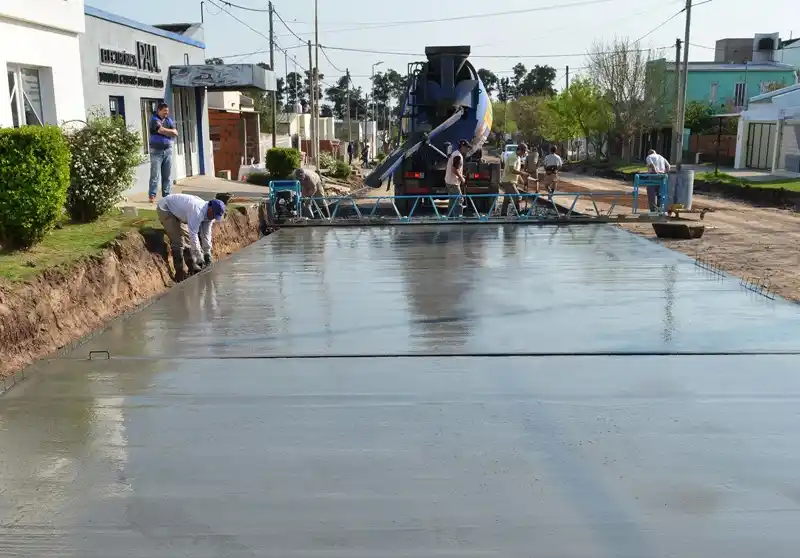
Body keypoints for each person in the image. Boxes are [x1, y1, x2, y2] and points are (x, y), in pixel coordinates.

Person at [156, 194, 225, 280]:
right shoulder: (197, 211)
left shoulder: (210, 215)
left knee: (187, 239)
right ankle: (180, 272)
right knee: (178, 241)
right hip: (166, 208)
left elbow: (206, 234)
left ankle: (192, 266)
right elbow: (194, 234)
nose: (214, 218)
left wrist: (207, 253)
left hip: (179, 211)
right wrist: (199, 257)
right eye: (214, 215)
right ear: (210, 210)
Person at [148, 102, 179, 203]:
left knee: (167, 175)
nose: (166, 113)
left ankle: (166, 195)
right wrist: (170, 131)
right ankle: (152, 195)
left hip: (168, 150)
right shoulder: (154, 119)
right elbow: (160, 130)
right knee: (155, 174)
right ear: (159, 110)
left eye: (167, 111)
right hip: (156, 151)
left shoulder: (168, 120)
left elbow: (176, 133)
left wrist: (167, 131)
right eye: (165, 111)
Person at [500, 143, 531, 216]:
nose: (524, 153)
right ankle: (518, 212)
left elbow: (517, 172)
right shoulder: (513, 157)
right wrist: (523, 173)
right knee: (517, 196)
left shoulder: (518, 157)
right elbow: (512, 170)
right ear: (520, 150)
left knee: (507, 198)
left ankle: (503, 213)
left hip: (511, 181)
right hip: (508, 181)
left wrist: (522, 182)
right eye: (524, 151)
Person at [444, 139, 470, 217]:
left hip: (449, 181)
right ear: (462, 147)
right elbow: (454, 169)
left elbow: (453, 168)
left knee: (452, 200)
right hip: (453, 182)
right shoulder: (458, 156)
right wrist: (461, 178)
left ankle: (450, 216)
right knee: (459, 199)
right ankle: (458, 217)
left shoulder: (455, 153)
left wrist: (460, 175)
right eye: (466, 147)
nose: (467, 149)